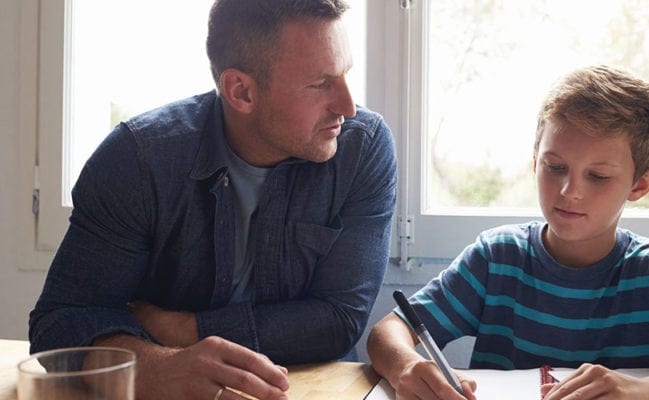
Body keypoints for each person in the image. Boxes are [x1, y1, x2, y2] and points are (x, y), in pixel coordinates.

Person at [29, 1, 397, 399]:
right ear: (241, 91)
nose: (348, 106)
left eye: (345, 74)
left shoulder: (363, 148)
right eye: (321, 83)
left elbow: (339, 321)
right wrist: (156, 369)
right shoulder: (137, 159)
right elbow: (61, 323)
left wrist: (184, 330)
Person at [366, 65, 649, 400]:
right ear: (535, 160)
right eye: (555, 167)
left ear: (640, 184)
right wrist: (405, 366)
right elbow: (389, 331)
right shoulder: (497, 258)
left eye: (598, 176)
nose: (569, 191)